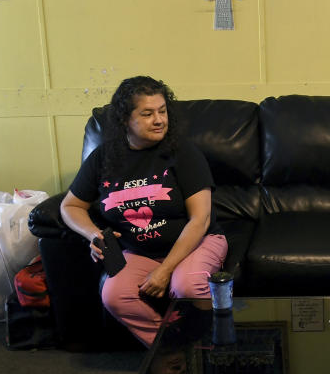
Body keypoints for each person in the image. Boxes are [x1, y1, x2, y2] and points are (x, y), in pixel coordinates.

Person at [60, 76, 228, 347]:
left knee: (186, 285)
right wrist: (93, 235)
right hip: (139, 251)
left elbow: (201, 219)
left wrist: (166, 270)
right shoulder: (104, 157)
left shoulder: (182, 153)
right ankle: (170, 349)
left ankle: (204, 350)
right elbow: (70, 206)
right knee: (115, 295)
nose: (159, 120)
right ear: (125, 119)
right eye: (147, 114)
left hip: (195, 244)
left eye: (162, 111)